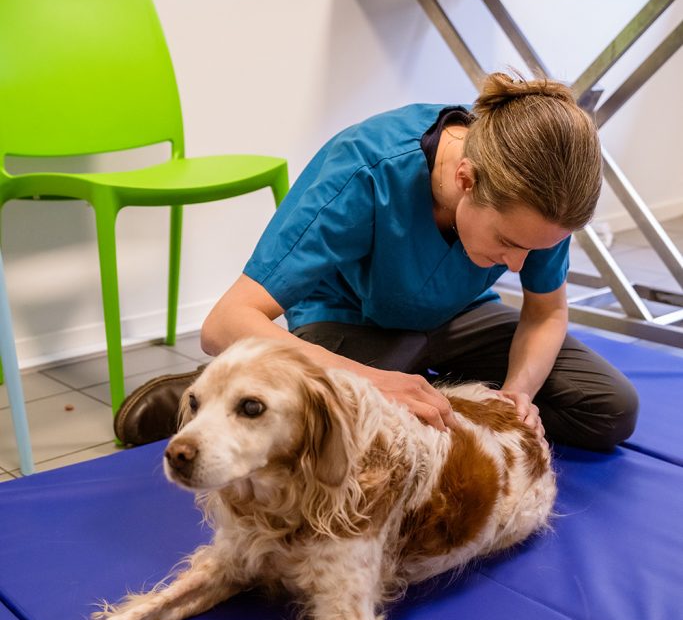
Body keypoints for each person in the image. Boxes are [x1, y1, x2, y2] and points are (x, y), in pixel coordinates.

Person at [115, 72, 638, 450]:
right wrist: (376, 382)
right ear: (466, 180)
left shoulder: (545, 192)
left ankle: (414, 381)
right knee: (345, 429)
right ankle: (203, 395)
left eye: (537, 249)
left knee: (609, 409)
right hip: (350, 321)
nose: (521, 265)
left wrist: (514, 396)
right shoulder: (365, 169)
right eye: (508, 242)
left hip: (458, 316)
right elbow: (226, 322)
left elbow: (545, 312)